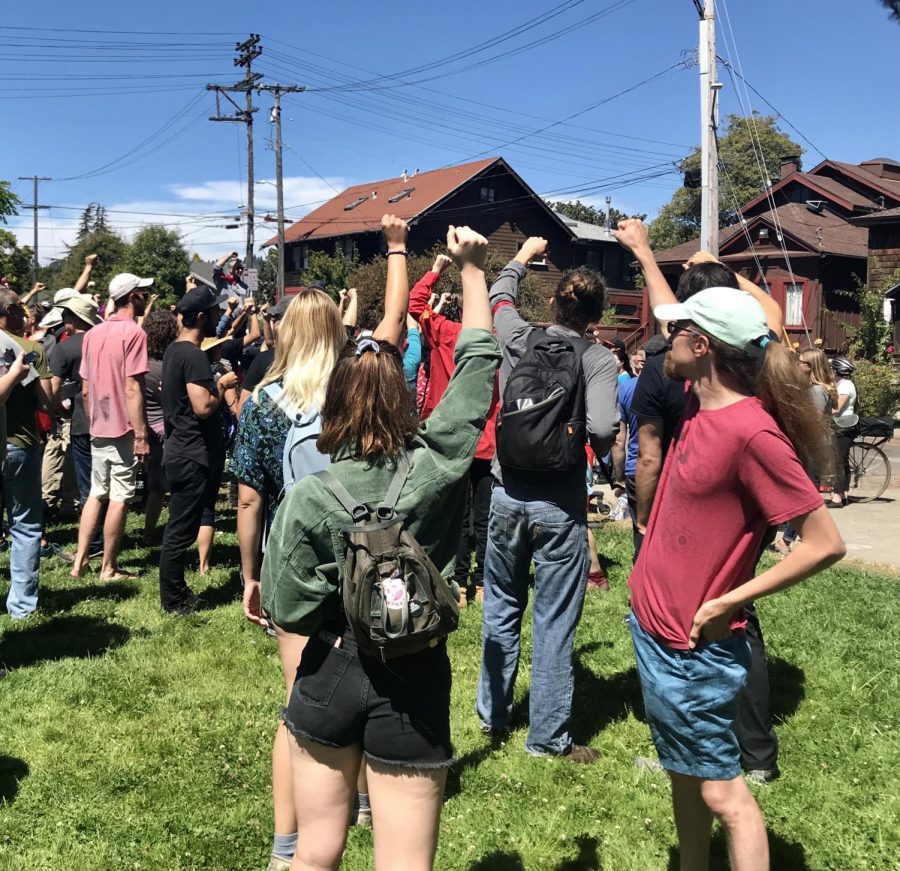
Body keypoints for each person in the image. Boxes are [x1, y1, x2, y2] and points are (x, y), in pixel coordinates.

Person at [261, 217, 500, 871]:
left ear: (334, 405)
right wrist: (474, 268)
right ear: (406, 400)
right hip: (416, 674)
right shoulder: (439, 461)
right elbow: (479, 367)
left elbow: (288, 606)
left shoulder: (309, 497)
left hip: (330, 673)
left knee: (314, 854)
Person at [625, 284, 844, 871]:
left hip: (693, 646)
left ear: (702, 346)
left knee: (725, 793)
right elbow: (761, 325)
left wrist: (728, 602)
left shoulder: (753, 433)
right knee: (684, 772)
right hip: (655, 629)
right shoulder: (697, 402)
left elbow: (825, 544)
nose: (664, 341)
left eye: (677, 332)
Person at [615, 221, 788, 784]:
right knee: (737, 618)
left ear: (702, 337)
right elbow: (772, 318)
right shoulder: (756, 362)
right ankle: (753, 753)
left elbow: (650, 453)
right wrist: (722, 270)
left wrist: (644, 521)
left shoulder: (680, 371)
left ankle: (697, 750)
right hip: (745, 510)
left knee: (698, 629)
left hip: (692, 517)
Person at [477, 236, 618, 763]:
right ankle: (546, 739)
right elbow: (602, 425)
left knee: (502, 604)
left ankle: (492, 716)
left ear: (554, 302)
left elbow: (498, 297)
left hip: (505, 491)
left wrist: (520, 257)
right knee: (554, 620)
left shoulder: (517, 336)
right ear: (596, 315)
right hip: (559, 503)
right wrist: (596, 446)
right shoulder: (598, 358)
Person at [233, 288, 347, 871]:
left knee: (299, 703)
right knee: (365, 684)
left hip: (292, 565)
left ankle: (288, 843)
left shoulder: (264, 404)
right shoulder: (357, 395)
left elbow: (249, 497)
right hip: (357, 561)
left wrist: (250, 575)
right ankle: (364, 801)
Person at [408, 253, 499, 601]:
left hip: (451, 439)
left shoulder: (444, 331)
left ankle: (457, 582)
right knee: (485, 516)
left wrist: (435, 270)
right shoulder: (493, 341)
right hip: (486, 437)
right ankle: (483, 581)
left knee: (456, 515)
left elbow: (415, 304)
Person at [158, 281, 237, 616]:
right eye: (216, 312)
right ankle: (174, 601)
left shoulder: (175, 350)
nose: (219, 317)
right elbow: (203, 406)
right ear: (202, 317)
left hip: (180, 449)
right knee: (181, 529)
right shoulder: (192, 356)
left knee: (182, 526)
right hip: (191, 454)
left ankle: (177, 593)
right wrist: (222, 385)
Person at [71, 273, 152, 581]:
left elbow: (86, 389)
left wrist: (94, 421)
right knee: (120, 496)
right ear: (131, 297)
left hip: (98, 426)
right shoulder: (134, 334)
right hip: (123, 428)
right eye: (143, 292)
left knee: (95, 493)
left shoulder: (92, 334)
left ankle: (79, 562)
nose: (146, 296)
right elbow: (133, 387)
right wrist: (140, 433)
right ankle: (108, 567)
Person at [1, 288, 52, 618]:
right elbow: (46, 402)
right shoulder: (31, 349)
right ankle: (22, 607)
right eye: (20, 309)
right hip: (20, 445)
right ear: (11, 312)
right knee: (25, 526)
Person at [141, 310, 179, 544]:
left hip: (148, 427)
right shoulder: (166, 367)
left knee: (155, 485)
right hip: (166, 431)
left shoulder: (141, 363)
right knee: (170, 486)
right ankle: (172, 533)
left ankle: (147, 533)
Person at [829, 355, 858, 508]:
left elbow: (837, 409)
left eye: (833, 369)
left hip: (843, 426)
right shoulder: (843, 383)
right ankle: (843, 494)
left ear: (838, 370)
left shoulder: (845, 385)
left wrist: (821, 411)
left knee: (838, 462)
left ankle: (836, 498)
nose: (831, 371)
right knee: (843, 461)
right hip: (842, 426)